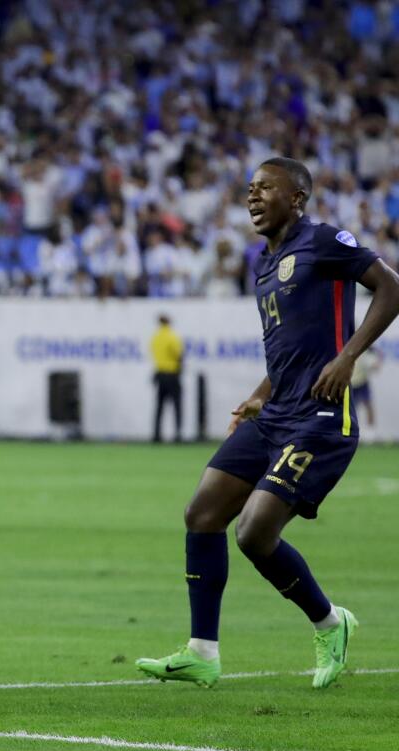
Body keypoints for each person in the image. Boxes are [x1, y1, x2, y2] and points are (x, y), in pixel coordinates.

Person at [136, 157, 399, 690]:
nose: (253, 197)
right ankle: (202, 652)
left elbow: (391, 287)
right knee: (202, 512)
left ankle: (331, 622)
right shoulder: (264, 262)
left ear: (297, 197)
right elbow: (284, 350)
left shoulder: (325, 240)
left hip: (321, 417)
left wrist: (349, 356)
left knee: (254, 532)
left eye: (266, 188)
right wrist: (258, 397)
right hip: (277, 412)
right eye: (250, 190)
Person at [150, 314, 184, 442]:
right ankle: (178, 434)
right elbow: (178, 354)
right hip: (172, 374)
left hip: (160, 373)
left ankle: (156, 434)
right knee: (177, 405)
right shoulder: (172, 336)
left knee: (159, 406)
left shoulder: (155, 337)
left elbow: (153, 352)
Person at [350, 346, 382, 434]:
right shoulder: (346, 342)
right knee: (351, 409)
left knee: (368, 404)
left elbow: (377, 356)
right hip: (350, 382)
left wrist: (376, 363)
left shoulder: (367, 346)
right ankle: (352, 431)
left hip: (362, 380)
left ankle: (370, 431)